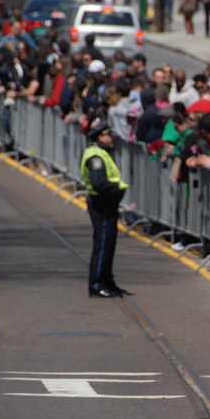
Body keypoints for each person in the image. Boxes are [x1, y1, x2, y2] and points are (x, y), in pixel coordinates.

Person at [81, 118, 129, 297]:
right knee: (102, 245)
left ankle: (108, 281)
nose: (112, 138)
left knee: (109, 244)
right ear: (100, 137)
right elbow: (98, 182)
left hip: (108, 204)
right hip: (101, 204)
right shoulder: (95, 156)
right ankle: (96, 284)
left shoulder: (103, 153)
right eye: (109, 135)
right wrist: (118, 189)